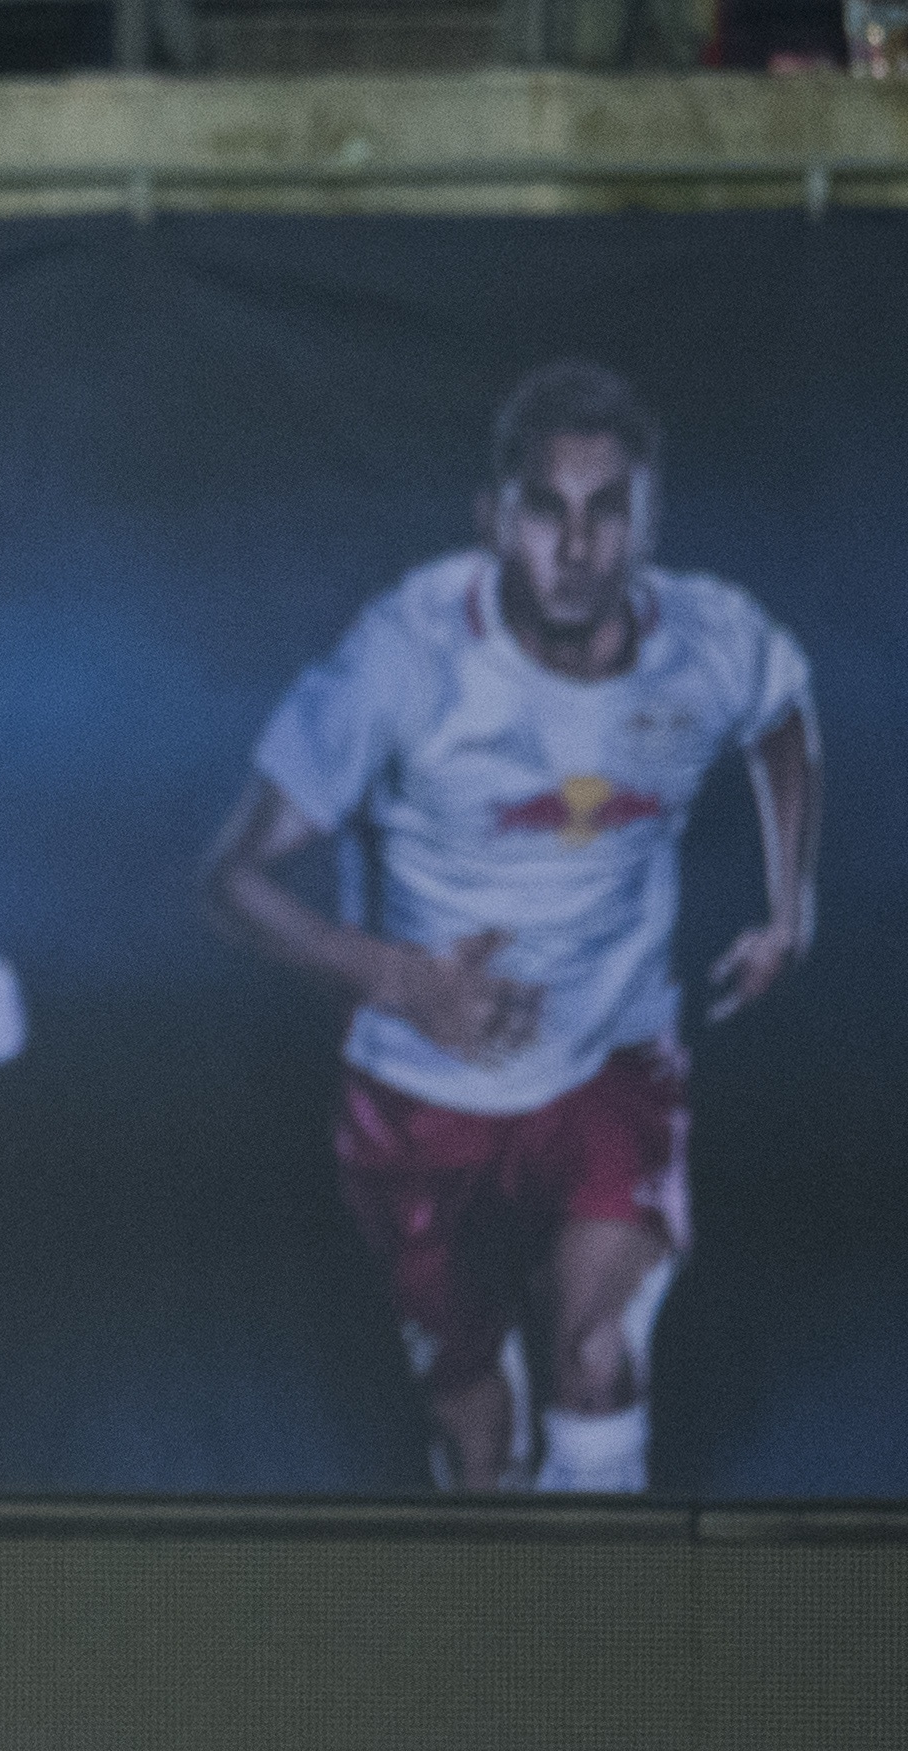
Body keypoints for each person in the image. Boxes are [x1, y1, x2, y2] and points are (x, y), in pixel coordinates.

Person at [203, 361, 819, 1495]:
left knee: (599, 1360)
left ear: (646, 523)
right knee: (478, 1437)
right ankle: (507, 1638)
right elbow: (229, 879)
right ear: (496, 519)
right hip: (422, 1100)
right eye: (546, 509)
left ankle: (599, 1651)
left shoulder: (709, 639)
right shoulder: (406, 656)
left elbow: (781, 712)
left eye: (605, 512)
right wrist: (398, 975)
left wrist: (792, 907)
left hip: (609, 1067)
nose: (575, 547)